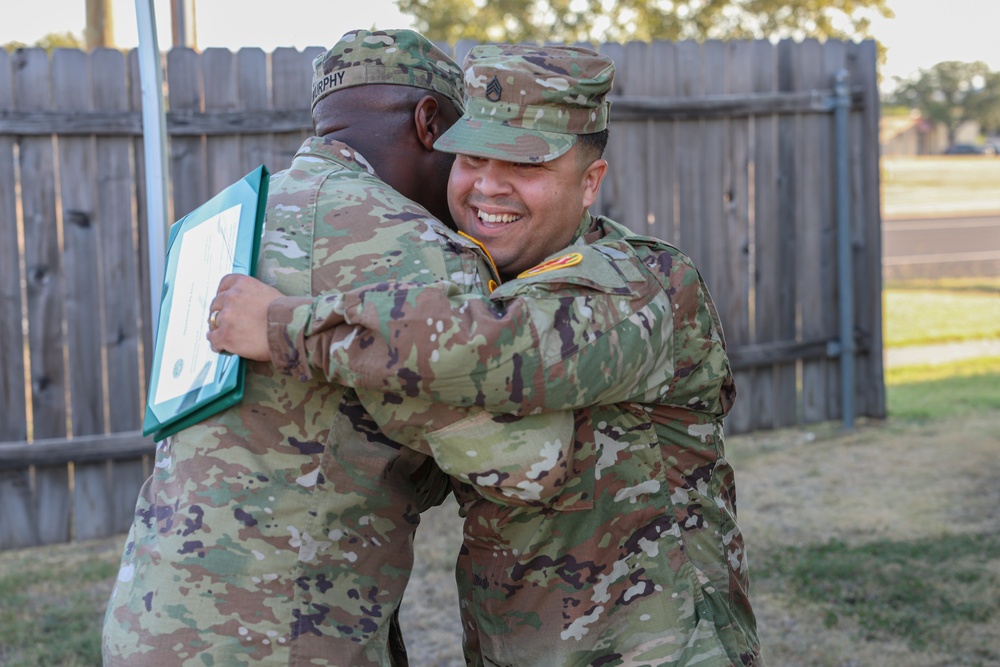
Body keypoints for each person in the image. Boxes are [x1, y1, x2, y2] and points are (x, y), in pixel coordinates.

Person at [208, 44, 764, 666]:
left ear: (589, 183)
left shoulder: (645, 283)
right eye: (472, 157)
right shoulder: (467, 284)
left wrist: (284, 326)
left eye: (525, 167)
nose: (487, 187)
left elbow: (504, 347)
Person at [102, 29, 512, 667]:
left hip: (149, 618)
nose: (463, 177)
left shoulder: (223, 227)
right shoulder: (429, 254)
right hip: (289, 638)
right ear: (430, 122)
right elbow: (496, 461)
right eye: (461, 149)